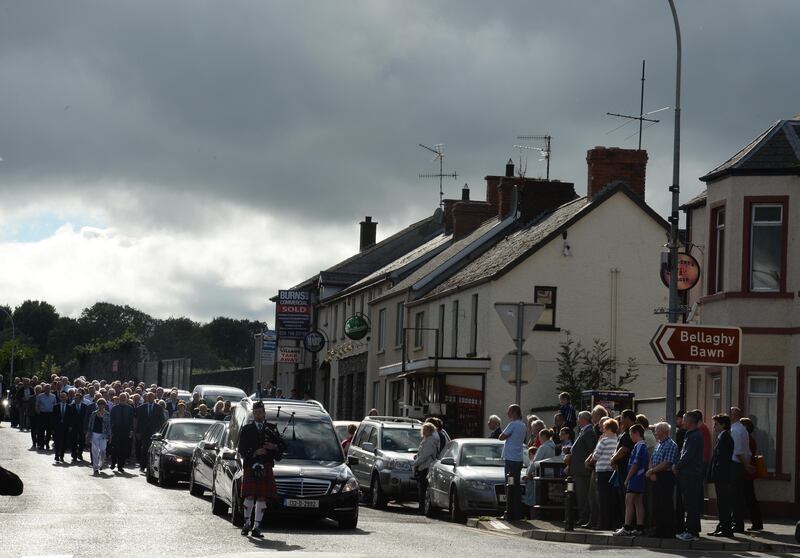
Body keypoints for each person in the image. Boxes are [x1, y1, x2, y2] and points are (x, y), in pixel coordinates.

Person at [238, 401, 285, 537]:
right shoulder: (247, 429)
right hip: (250, 465)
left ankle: (257, 526)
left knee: (262, 497)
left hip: (266, 465)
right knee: (250, 495)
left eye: (260, 412)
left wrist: (273, 447)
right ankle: (246, 524)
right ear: (253, 413)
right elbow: (241, 449)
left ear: (264, 413)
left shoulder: (272, 428)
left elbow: (282, 447)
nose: (258, 414)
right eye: (256, 412)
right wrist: (254, 452)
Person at [673, 410, 704, 542]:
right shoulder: (691, 434)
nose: (682, 422)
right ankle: (693, 530)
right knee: (691, 503)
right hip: (690, 473)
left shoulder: (694, 436)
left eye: (684, 419)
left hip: (690, 474)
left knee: (690, 504)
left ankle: (691, 532)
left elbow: (688, 454)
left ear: (690, 422)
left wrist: (677, 466)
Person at [645, 422, 678, 538]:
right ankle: (658, 529)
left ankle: (668, 530)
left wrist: (652, 471)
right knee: (656, 504)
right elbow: (652, 458)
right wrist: (651, 471)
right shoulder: (658, 444)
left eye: (657, 431)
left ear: (663, 432)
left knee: (665, 504)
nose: (655, 433)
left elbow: (666, 463)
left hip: (666, 476)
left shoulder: (671, 445)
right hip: (656, 475)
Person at [614, 424, 648, 536]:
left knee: (628, 501)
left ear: (636, 433)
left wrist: (627, 478)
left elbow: (635, 464)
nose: (631, 437)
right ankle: (640, 527)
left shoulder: (639, 446)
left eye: (631, 434)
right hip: (640, 477)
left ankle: (627, 526)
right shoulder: (643, 446)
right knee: (638, 502)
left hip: (635, 477)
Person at [567, 411, 597, 527]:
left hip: (583, 471)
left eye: (579, 418)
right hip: (579, 469)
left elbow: (591, 450)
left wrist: (588, 465)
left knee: (583, 495)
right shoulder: (584, 431)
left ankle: (584, 517)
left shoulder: (589, 432)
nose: (577, 421)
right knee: (580, 494)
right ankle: (582, 516)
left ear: (584, 419)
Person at [589, 418, 619, 530]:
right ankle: (613, 523)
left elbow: (595, 456)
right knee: (612, 498)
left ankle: (603, 524)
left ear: (608, 428)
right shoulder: (617, 439)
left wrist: (599, 441)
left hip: (602, 471)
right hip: (612, 471)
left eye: (604, 428)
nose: (603, 431)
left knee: (602, 499)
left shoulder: (604, 441)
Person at [708, 413, 734, 538]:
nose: (714, 426)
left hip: (723, 477)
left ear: (723, 425)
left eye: (716, 424)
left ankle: (726, 529)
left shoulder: (726, 438)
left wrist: (717, 472)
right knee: (721, 503)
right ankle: (722, 526)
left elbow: (723, 460)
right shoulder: (721, 437)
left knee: (723, 503)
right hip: (721, 476)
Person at [499, 404, 526, 519]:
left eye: (509, 411)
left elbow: (501, 437)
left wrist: (507, 435)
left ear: (514, 412)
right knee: (515, 486)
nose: (507, 413)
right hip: (518, 459)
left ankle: (509, 512)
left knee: (509, 485)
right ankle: (517, 512)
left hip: (510, 458)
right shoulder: (523, 425)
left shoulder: (513, 424)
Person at [729, 407, 752, 533]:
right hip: (739, 465)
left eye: (731, 414)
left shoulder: (736, 430)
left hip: (735, 465)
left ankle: (737, 524)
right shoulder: (741, 429)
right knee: (737, 495)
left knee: (735, 496)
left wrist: (746, 465)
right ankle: (737, 522)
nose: (729, 416)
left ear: (735, 416)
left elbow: (738, 451)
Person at [739, 418, 763, 531]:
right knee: (750, 498)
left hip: (746, 472)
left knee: (749, 498)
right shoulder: (750, 439)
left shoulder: (747, 439)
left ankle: (757, 523)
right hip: (748, 471)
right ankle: (757, 523)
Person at [134, 392, 166, 472]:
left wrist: (161, 432)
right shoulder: (142, 407)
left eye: (151, 397)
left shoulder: (158, 407)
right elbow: (139, 421)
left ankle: (151, 466)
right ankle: (142, 466)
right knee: (144, 449)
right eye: (148, 397)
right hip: (144, 432)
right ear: (146, 398)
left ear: (154, 397)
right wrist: (138, 432)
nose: (150, 398)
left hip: (155, 432)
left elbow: (162, 420)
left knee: (153, 450)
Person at [412, 422, 439, 514]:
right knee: (421, 488)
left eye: (427, 429)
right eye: (424, 429)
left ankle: (422, 508)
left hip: (425, 467)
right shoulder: (426, 439)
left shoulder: (430, 441)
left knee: (423, 489)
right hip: (423, 466)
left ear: (431, 431)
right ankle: (422, 507)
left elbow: (424, 455)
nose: (424, 431)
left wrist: (415, 464)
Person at [86, 398, 111, 475]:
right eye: (99, 404)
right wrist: (88, 434)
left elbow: (109, 426)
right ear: (97, 405)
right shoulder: (93, 413)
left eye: (102, 404)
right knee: (95, 451)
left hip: (103, 434)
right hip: (94, 434)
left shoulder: (107, 414)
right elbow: (90, 424)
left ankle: (101, 464)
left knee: (103, 451)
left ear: (104, 405)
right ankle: (95, 467)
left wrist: (110, 435)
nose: (101, 405)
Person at [110, 393, 135, 473]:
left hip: (126, 430)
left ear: (126, 399)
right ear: (119, 398)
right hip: (116, 429)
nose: (123, 399)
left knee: (123, 448)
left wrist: (131, 430)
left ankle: (120, 465)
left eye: (124, 397)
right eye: (121, 397)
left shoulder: (130, 408)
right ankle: (113, 462)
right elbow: (111, 419)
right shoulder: (114, 408)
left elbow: (131, 420)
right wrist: (111, 430)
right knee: (115, 448)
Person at [35, 383, 57, 450]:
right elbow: (37, 405)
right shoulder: (40, 396)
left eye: (49, 388)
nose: (47, 389)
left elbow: (55, 405)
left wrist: (54, 414)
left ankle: (47, 443)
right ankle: (41, 444)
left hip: (50, 415)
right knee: (41, 430)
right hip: (42, 414)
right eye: (46, 388)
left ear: (50, 389)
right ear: (44, 389)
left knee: (49, 430)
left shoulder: (53, 396)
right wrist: (38, 411)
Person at [70, 392, 90, 462]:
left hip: (82, 426)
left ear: (81, 399)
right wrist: (70, 426)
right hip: (74, 426)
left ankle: (80, 454)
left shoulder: (85, 407)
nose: (76, 400)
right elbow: (70, 418)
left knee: (82, 441)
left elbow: (86, 418)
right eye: (75, 398)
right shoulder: (71, 406)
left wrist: (86, 427)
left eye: (77, 398)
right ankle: (74, 454)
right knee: (73, 440)